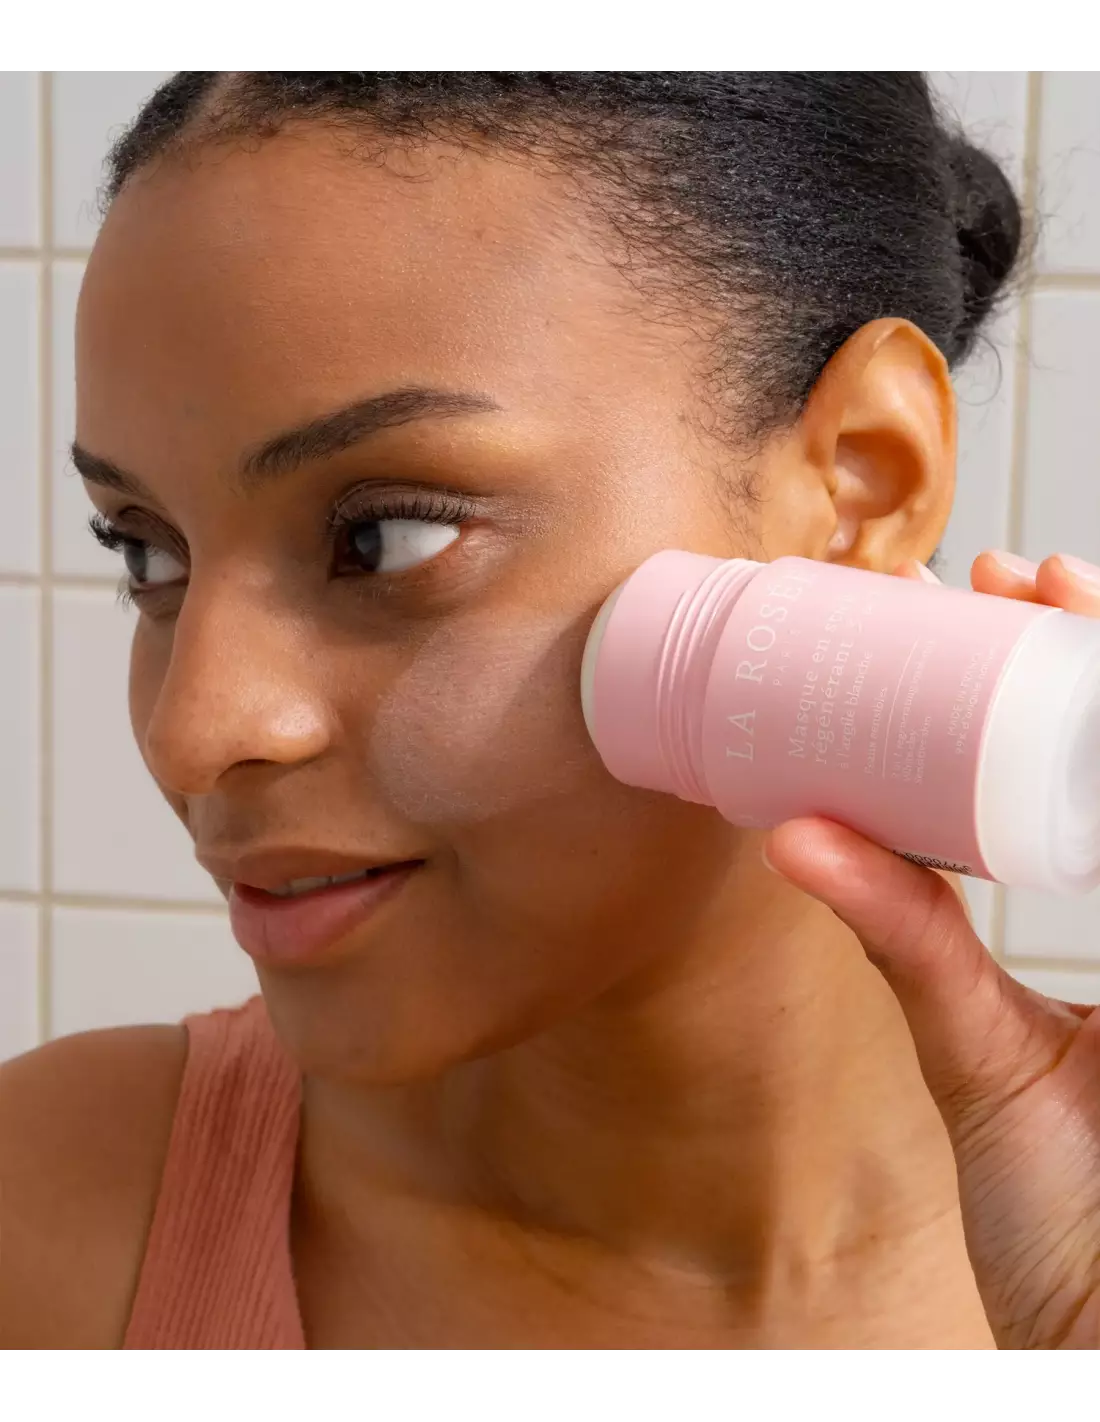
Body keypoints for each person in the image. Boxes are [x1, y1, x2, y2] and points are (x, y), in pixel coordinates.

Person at [2, 72, 1097, 1350]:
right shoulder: (52, 1223)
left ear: (861, 483)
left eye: (384, 536)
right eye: (147, 552)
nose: (193, 733)